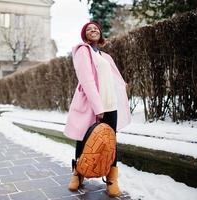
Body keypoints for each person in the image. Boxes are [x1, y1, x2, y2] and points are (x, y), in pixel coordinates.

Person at [64, 21, 131, 197]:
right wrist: (97, 107)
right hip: (93, 104)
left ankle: (111, 180)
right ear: (85, 35)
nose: (93, 30)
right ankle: (78, 174)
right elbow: (86, 80)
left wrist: (123, 86)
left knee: (110, 142)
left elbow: (114, 77)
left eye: (96, 29)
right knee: (85, 139)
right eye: (89, 30)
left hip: (111, 104)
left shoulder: (106, 56)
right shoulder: (82, 51)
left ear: (100, 34)